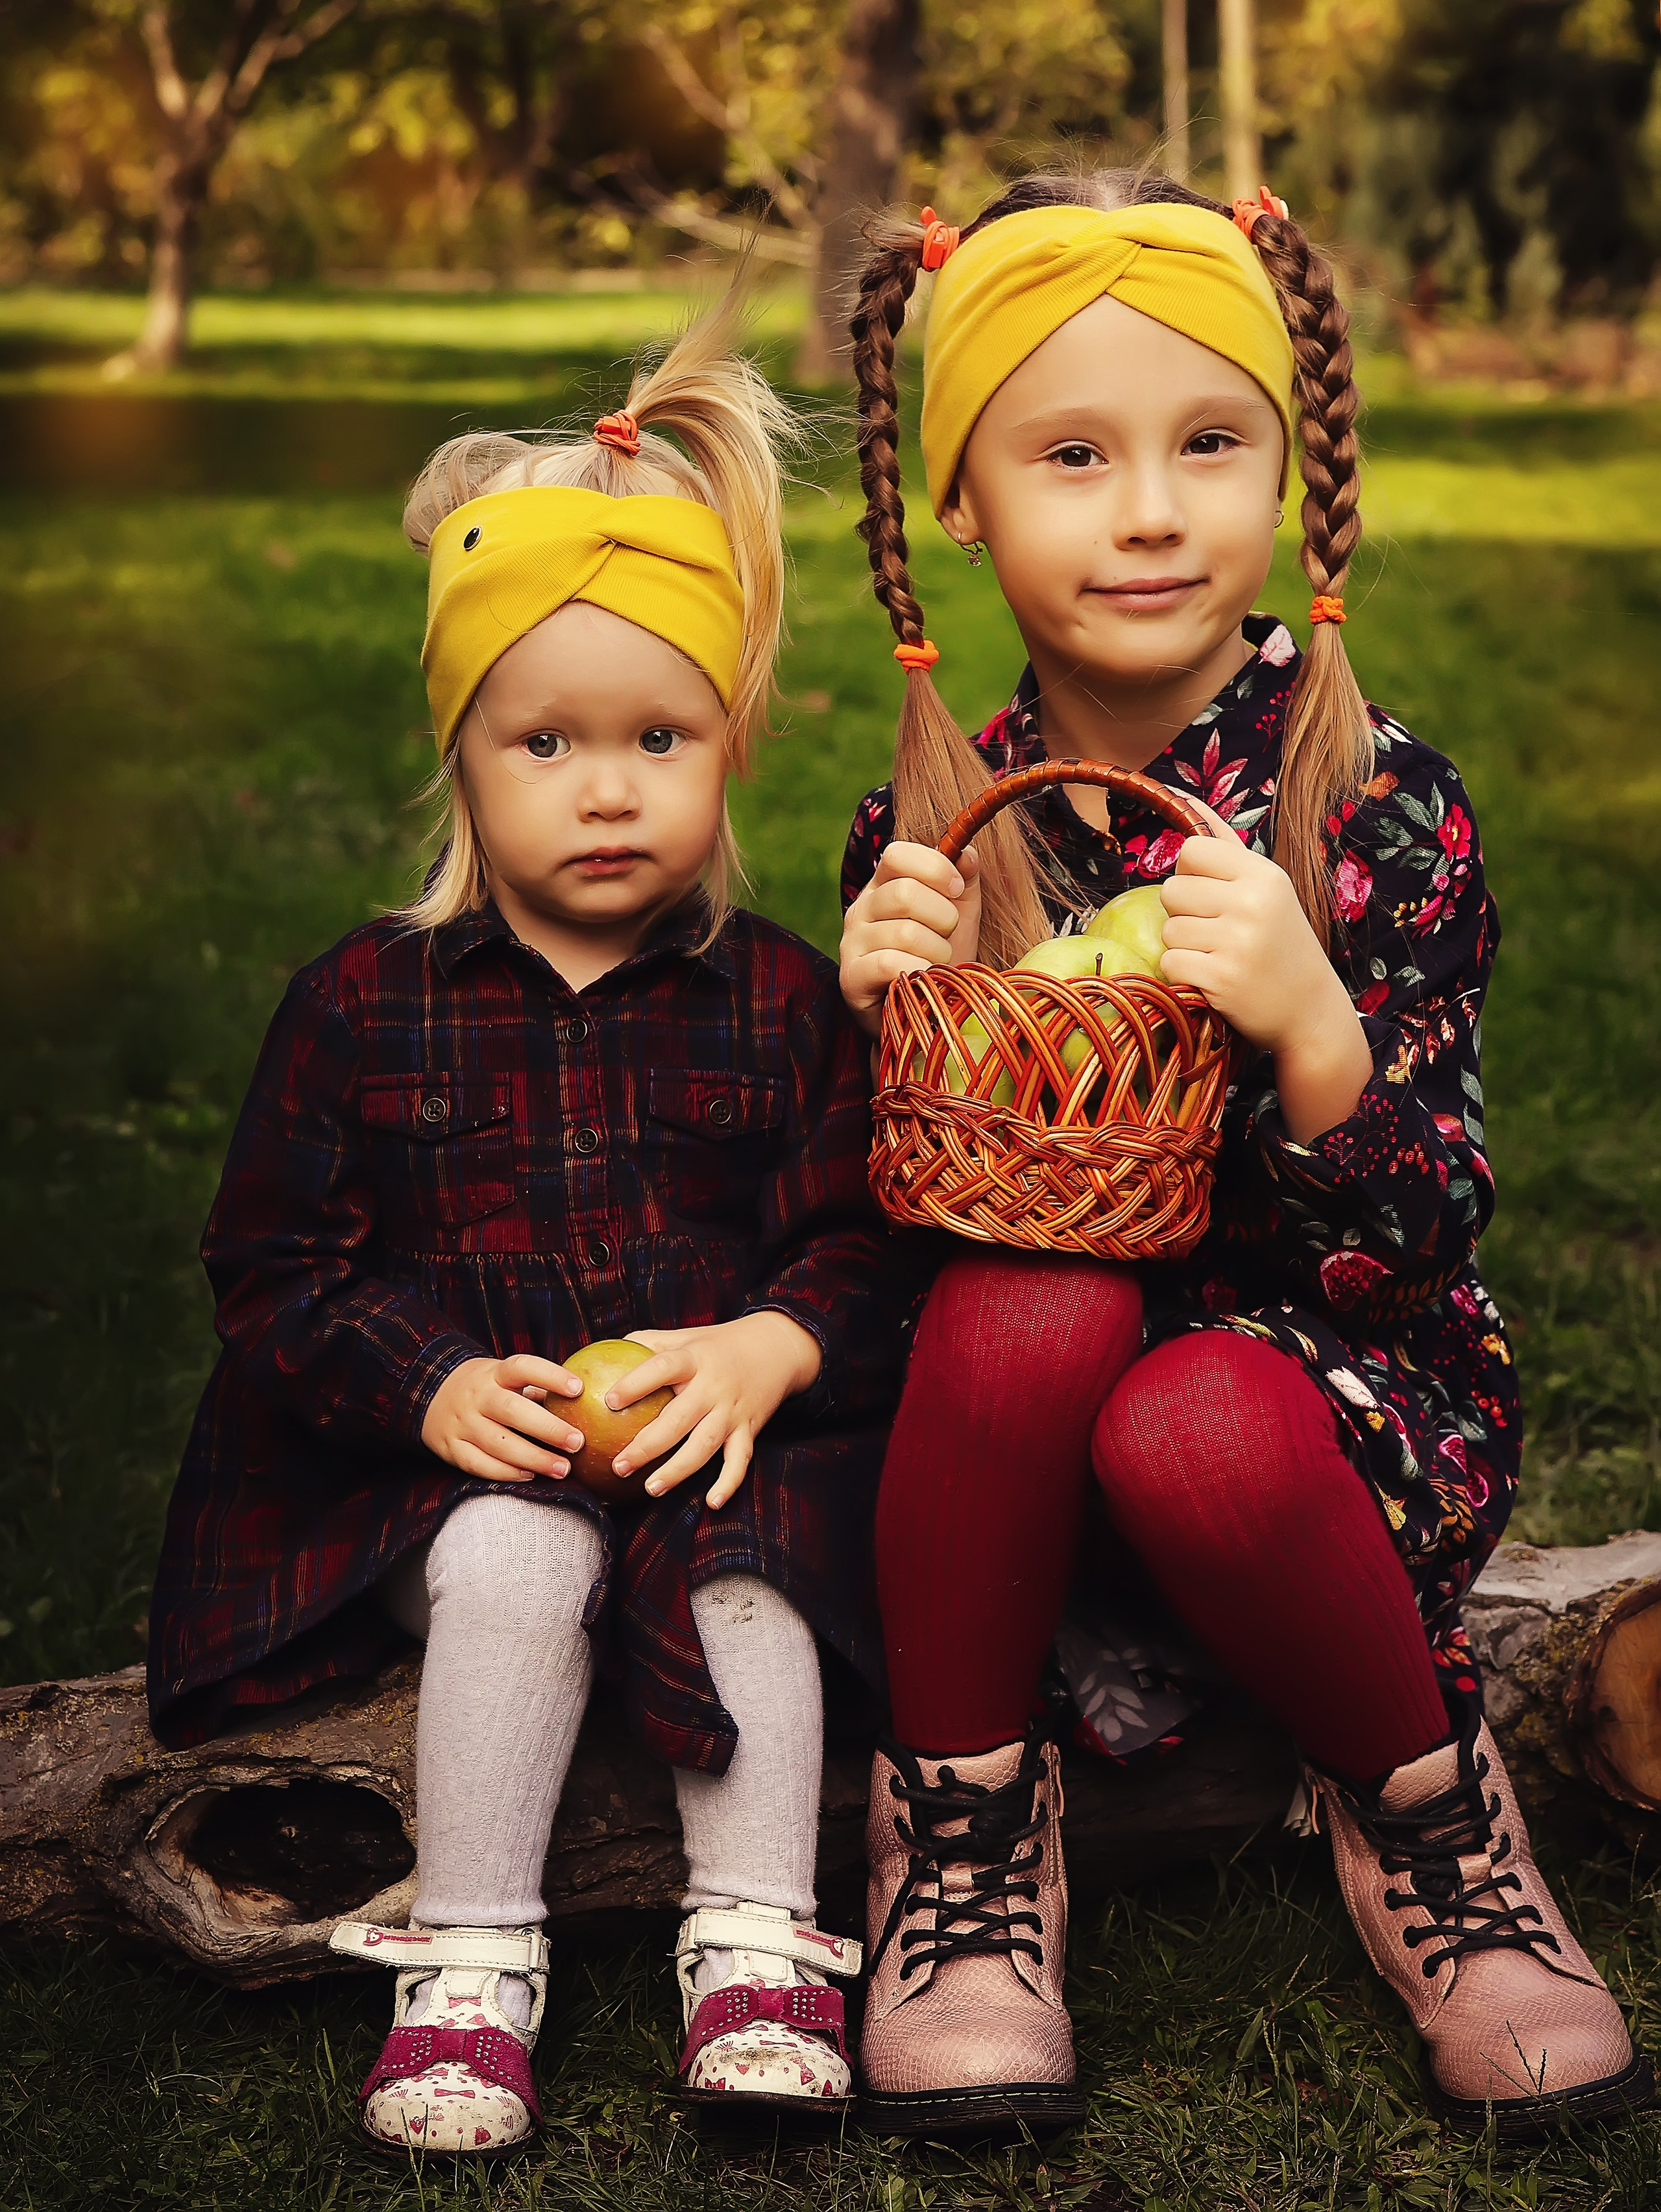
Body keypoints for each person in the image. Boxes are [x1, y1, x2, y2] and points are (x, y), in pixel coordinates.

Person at [837, 173, 1652, 2141]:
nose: (1149, 510)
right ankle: (961, 1832)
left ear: (1290, 475)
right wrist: (872, 1028)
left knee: (1191, 1413)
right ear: (963, 502)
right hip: (1018, 1476)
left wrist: (1312, 1030)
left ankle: (1433, 1819)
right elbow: (884, 1243)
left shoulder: (1374, 806)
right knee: (1029, 1308)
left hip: (1319, 1420)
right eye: (1073, 454)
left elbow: (1426, 1236)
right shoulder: (947, 831)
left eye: (1211, 443)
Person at [148, 317, 894, 2154]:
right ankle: (472, 1958)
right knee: (513, 1552)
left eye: (660, 737)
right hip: (451, 1467)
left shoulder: (784, 1000)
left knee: (750, 1571)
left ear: (730, 744)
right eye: (545, 740)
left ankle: (759, 1943)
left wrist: (768, 1349)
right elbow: (272, 1269)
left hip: (704, 1447)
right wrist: (430, 1386)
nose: (607, 786)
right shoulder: (364, 1002)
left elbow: (866, 1241)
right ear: (463, 755)